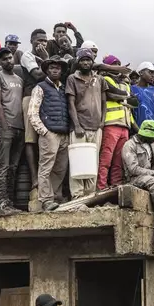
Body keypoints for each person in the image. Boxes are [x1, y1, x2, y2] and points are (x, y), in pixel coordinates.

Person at [28, 56, 70, 211]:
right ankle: (46, 200)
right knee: (46, 168)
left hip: (63, 134)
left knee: (60, 168)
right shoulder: (40, 87)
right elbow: (32, 112)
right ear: (47, 70)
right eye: (52, 68)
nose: (55, 70)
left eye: (58, 68)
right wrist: (44, 132)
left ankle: (56, 197)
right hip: (49, 133)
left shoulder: (63, 88)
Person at [0, 47, 25, 215]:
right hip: (5, 128)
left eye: (10, 57)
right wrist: (4, 126)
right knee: (3, 166)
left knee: (13, 167)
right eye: (4, 59)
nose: (8, 61)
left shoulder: (19, 78)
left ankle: (11, 203)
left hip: (20, 128)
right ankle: (3, 204)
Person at [65, 48, 104, 199]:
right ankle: (77, 195)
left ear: (92, 62)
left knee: (92, 162)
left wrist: (101, 123)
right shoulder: (72, 79)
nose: (85, 62)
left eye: (88, 60)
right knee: (78, 161)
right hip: (79, 127)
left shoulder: (99, 79)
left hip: (96, 127)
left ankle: (90, 195)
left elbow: (104, 101)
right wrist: (77, 125)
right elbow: (71, 103)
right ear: (78, 62)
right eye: (82, 60)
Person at [20, 29, 50, 212]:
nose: (42, 44)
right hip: (30, 97)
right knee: (30, 139)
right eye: (39, 40)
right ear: (31, 41)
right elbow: (39, 76)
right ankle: (34, 179)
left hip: (46, 98)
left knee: (45, 138)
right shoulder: (28, 56)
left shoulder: (45, 56)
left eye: (45, 41)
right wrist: (45, 58)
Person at [97, 54, 136, 190]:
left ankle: (116, 184)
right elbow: (111, 94)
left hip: (125, 125)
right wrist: (126, 98)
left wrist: (123, 97)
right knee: (106, 157)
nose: (119, 66)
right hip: (111, 123)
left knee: (119, 159)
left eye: (119, 63)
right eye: (114, 64)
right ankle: (101, 186)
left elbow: (134, 102)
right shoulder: (104, 78)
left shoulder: (125, 83)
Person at [131, 62, 154, 136]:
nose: (153, 75)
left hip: (153, 133)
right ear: (141, 73)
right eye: (150, 72)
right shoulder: (131, 89)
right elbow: (129, 113)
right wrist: (138, 131)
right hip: (136, 132)